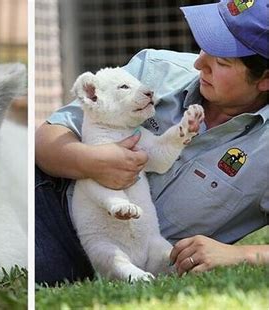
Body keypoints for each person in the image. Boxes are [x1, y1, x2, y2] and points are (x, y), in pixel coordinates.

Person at [35, 0, 269, 285]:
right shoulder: (156, 68)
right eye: (204, 47)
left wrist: (240, 255)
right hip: (57, 205)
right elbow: (46, 138)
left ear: (265, 80)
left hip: (146, 254)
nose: (198, 64)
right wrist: (91, 162)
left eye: (221, 62)